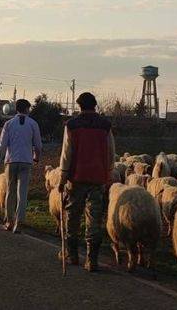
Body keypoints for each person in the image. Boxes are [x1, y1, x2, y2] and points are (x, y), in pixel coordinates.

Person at [58, 91, 115, 272]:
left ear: (79, 106)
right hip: (97, 178)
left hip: (77, 177)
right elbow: (111, 152)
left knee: (73, 216)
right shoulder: (105, 126)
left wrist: (62, 177)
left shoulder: (72, 125)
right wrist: (108, 174)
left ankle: (72, 254)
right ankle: (92, 260)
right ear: (95, 105)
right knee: (94, 218)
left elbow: (66, 154)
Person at [0, 98, 42, 233]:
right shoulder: (33, 124)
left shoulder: (8, 124)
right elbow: (38, 145)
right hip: (26, 161)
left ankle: (9, 220)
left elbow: (1, 146)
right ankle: (19, 223)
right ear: (26, 109)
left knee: (10, 192)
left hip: (11, 162)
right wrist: (36, 157)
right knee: (22, 193)